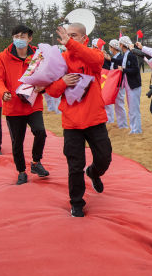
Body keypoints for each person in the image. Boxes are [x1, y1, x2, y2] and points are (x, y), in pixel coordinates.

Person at [46, 24, 112, 217]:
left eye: (73, 36)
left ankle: (94, 173)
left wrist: (71, 43)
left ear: (84, 38)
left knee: (105, 157)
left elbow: (96, 61)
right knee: (75, 165)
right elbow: (50, 90)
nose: (68, 38)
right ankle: (77, 202)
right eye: (67, 36)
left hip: (95, 118)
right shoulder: (60, 60)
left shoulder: (94, 55)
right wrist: (62, 82)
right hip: (72, 122)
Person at [0, 25, 50, 185]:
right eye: (16, 36)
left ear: (30, 38)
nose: (19, 39)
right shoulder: (3, 57)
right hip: (13, 106)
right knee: (17, 141)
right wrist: (3, 92)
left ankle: (36, 162)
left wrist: (43, 86)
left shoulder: (38, 55)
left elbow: (48, 73)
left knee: (40, 132)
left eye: (23, 36)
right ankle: (21, 171)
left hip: (33, 103)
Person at [113, 36, 142, 134]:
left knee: (134, 108)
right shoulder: (125, 54)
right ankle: (134, 128)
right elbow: (118, 62)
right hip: (129, 85)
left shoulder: (131, 55)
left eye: (120, 44)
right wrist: (110, 60)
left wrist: (124, 70)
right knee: (131, 108)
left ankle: (137, 129)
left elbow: (135, 69)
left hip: (134, 85)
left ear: (122, 45)